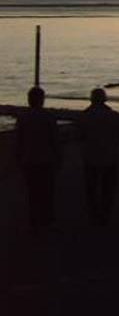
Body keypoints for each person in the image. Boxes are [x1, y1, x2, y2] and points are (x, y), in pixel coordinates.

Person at [15, 86, 61, 230]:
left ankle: (35, 219)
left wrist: (18, 157)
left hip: (29, 160)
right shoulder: (48, 117)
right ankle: (46, 218)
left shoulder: (23, 117)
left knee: (33, 192)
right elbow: (55, 140)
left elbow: (19, 140)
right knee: (47, 191)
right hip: (46, 159)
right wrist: (59, 157)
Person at [80, 87, 119, 225]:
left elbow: (78, 135)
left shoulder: (85, 116)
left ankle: (94, 214)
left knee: (91, 189)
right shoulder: (113, 116)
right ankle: (105, 214)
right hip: (110, 156)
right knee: (108, 188)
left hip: (90, 156)